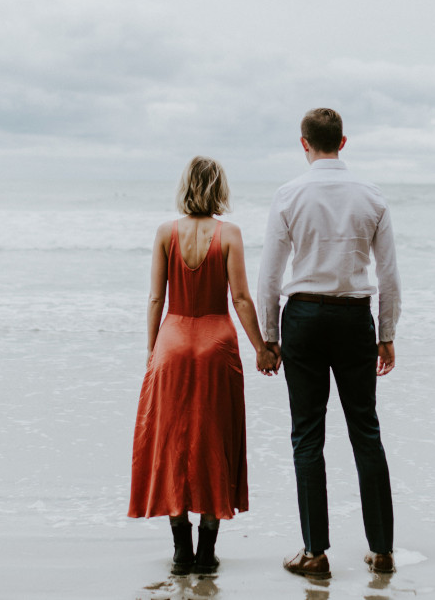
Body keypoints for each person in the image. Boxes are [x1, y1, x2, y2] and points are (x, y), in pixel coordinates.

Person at [257, 108, 401, 579]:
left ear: (305, 143)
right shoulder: (372, 196)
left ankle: (315, 552)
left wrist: (269, 337)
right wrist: (387, 333)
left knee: (307, 434)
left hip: (303, 319)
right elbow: (389, 275)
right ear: (343, 142)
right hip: (354, 316)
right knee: (366, 431)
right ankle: (381, 550)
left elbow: (271, 275)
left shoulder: (288, 195)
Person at [128, 156, 279, 577]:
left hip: (172, 342)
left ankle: (180, 550)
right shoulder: (229, 233)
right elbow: (242, 299)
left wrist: (151, 348)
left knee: (172, 442)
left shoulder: (165, 233)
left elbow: (156, 298)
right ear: (219, 189)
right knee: (216, 440)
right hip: (217, 344)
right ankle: (207, 550)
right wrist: (263, 347)